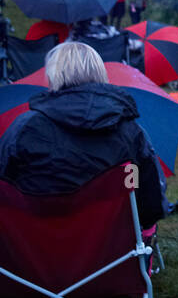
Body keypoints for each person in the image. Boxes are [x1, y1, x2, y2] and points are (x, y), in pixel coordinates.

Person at [0, 41, 167, 227]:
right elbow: (152, 204)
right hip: (112, 248)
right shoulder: (131, 132)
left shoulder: (24, 128)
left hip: (35, 246)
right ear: (99, 71)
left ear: (53, 74)